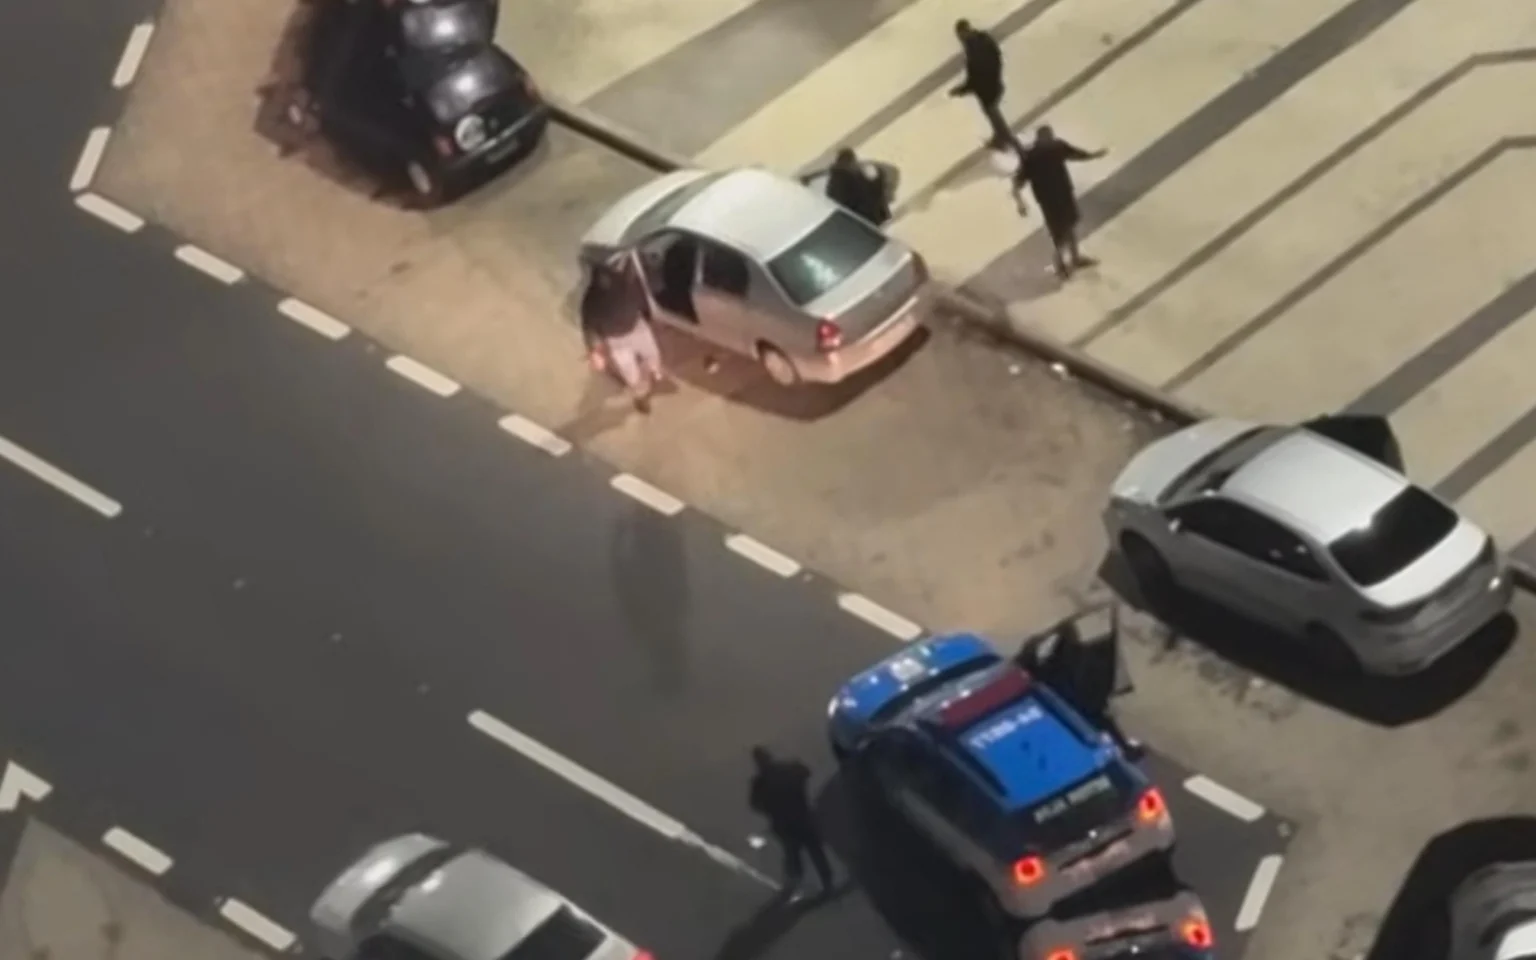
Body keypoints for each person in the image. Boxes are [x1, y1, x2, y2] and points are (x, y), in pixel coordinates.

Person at [1016, 609, 1143, 759]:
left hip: (1076, 703)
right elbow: (1062, 642)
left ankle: (1123, 749)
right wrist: (1057, 632)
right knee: (1101, 723)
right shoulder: (1042, 673)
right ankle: (1122, 750)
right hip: (1075, 704)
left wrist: (1059, 631)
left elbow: (1065, 640)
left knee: (1102, 722)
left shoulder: (1046, 668)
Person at [1010, 125, 1107, 278]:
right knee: (1065, 229)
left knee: (1063, 230)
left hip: (1052, 199)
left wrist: (1020, 202)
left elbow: (1017, 183)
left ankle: (1070, 260)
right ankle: (1063, 262)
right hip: (1059, 196)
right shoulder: (1052, 148)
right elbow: (1077, 155)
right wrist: (1094, 155)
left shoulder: (1032, 156)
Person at [579, 256, 668, 413]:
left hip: (637, 329)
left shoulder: (627, 285)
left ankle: (652, 371)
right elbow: (589, 327)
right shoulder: (591, 301)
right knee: (631, 375)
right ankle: (641, 395)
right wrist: (595, 351)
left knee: (653, 357)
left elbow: (648, 293)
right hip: (617, 340)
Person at [748, 746, 835, 898]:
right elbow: (806, 772)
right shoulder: (788, 768)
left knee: (792, 853)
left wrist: (770, 809)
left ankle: (794, 882)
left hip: (784, 825)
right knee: (816, 850)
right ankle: (827, 883)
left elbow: (755, 805)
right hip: (802, 817)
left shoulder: (759, 783)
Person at [949, 19, 1014, 150]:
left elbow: (975, 74)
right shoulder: (982, 39)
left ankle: (1019, 152)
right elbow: (995, 59)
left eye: (960, 35)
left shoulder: (974, 46)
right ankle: (1000, 140)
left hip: (987, 89)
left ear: (964, 31)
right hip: (992, 85)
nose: (959, 39)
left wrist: (961, 90)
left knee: (998, 122)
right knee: (995, 119)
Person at [822, 148, 894, 226]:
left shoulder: (837, 177)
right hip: (866, 213)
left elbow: (832, 197)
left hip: (857, 215)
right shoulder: (857, 173)